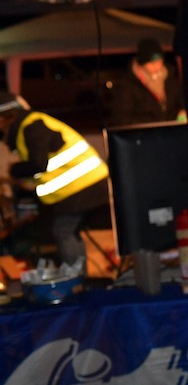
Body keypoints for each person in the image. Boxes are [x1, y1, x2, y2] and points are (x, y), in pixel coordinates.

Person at [0, 92, 110, 267]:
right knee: (68, 231)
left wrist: (16, 170)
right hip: (84, 184)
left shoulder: (31, 126)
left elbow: (38, 164)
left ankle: (77, 280)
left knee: (63, 231)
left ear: (4, 118)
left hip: (83, 185)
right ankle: (79, 277)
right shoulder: (29, 125)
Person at [108, 38, 187, 127]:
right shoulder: (128, 85)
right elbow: (121, 119)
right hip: (143, 135)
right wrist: (154, 123)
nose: (157, 67)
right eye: (152, 63)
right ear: (142, 63)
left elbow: (182, 101)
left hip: (170, 132)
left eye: (160, 62)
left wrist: (182, 112)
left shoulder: (171, 78)